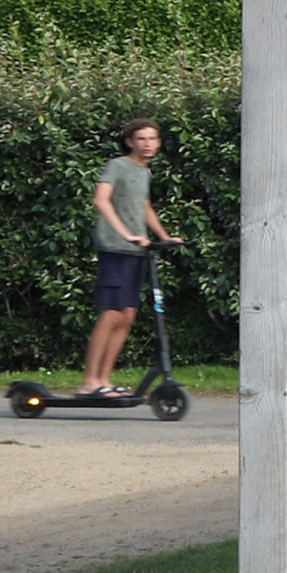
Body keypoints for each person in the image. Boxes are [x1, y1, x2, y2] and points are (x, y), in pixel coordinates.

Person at [80, 116, 174, 400]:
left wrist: (165, 237)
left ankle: (104, 381)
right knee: (111, 314)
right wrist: (125, 234)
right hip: (115, 249)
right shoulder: (118, 165)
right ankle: (89, 382)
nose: (148, 144)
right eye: (141, 139)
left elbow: (144, 206)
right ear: (130, 142)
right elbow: (101, 200)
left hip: (136, 251)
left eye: (152, 139)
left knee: (127, 314)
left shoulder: (143, 171)